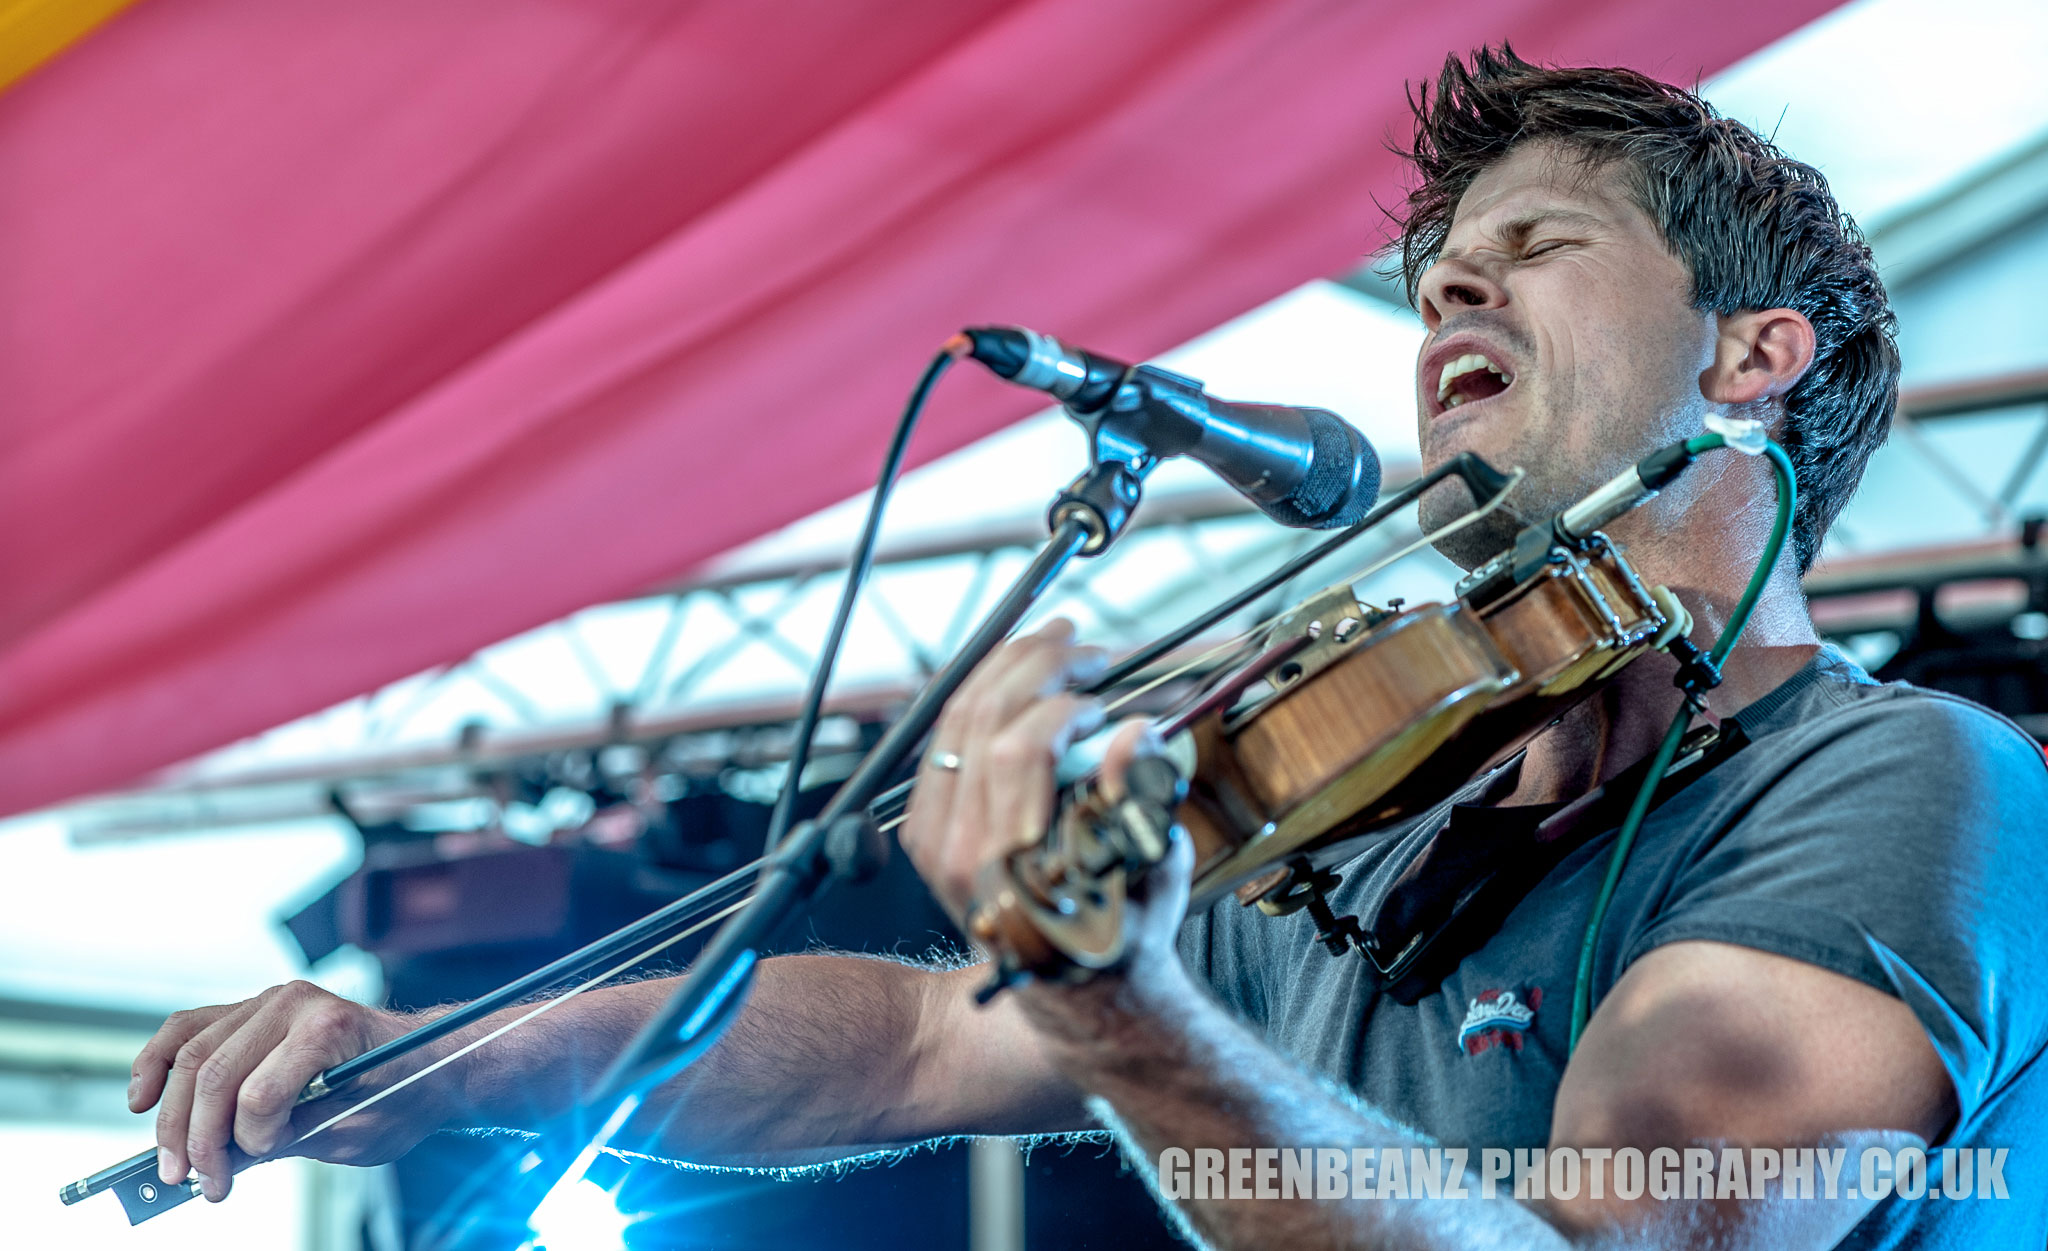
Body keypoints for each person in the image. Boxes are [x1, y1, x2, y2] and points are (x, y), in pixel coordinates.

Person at [126, 47, 2048, 1249]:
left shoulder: (1905, 783)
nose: (1451, 283)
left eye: (1538, 247)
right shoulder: (1369, 811)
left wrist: (1137, 1012)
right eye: (1439, 270)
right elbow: (891, 1044)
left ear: (1752, 358)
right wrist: (447, 1057)